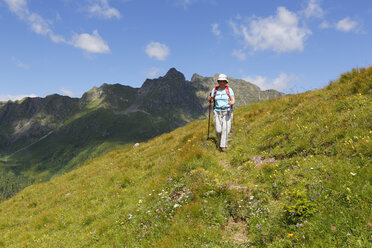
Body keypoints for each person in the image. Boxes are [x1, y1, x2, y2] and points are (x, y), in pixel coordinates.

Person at [208, 74, 235, 152]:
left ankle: (223, 147)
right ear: (218, 81)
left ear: (226, 82)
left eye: (223, 81)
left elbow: (233, 100)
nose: (222, 82)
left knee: (225, 129)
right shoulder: (215, 90)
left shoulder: (229, 90)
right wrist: (209, 99)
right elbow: (211, 100)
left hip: (227, 111)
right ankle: (219, 143)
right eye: (220, 81)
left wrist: (231, 102)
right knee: (218, 130)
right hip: (217, 111)